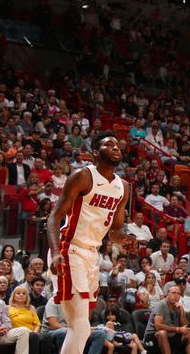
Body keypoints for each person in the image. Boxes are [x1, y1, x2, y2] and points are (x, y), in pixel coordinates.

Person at [47, 131, 134, 354]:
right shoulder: (83, 176)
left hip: (92, 254)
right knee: (80, 323)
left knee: (81, 327)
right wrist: (56, 252)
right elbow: (55, 217)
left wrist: (124, 239)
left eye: (118, 145)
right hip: (69, 248)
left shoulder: (123, 187)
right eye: (109, 145)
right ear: (96, 153)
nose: (116, 148)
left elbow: (114, 231)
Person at [143, 285, 190, 354]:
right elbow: (158, 326)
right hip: (152, 336)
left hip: (171, 335)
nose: (176, 295)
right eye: (173, 293)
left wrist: (182, 312)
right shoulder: (161, 305)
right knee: (162, 333)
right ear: (167, 294)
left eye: (178, 293)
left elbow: (185, 326)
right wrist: (178, 329)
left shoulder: (177, 306)